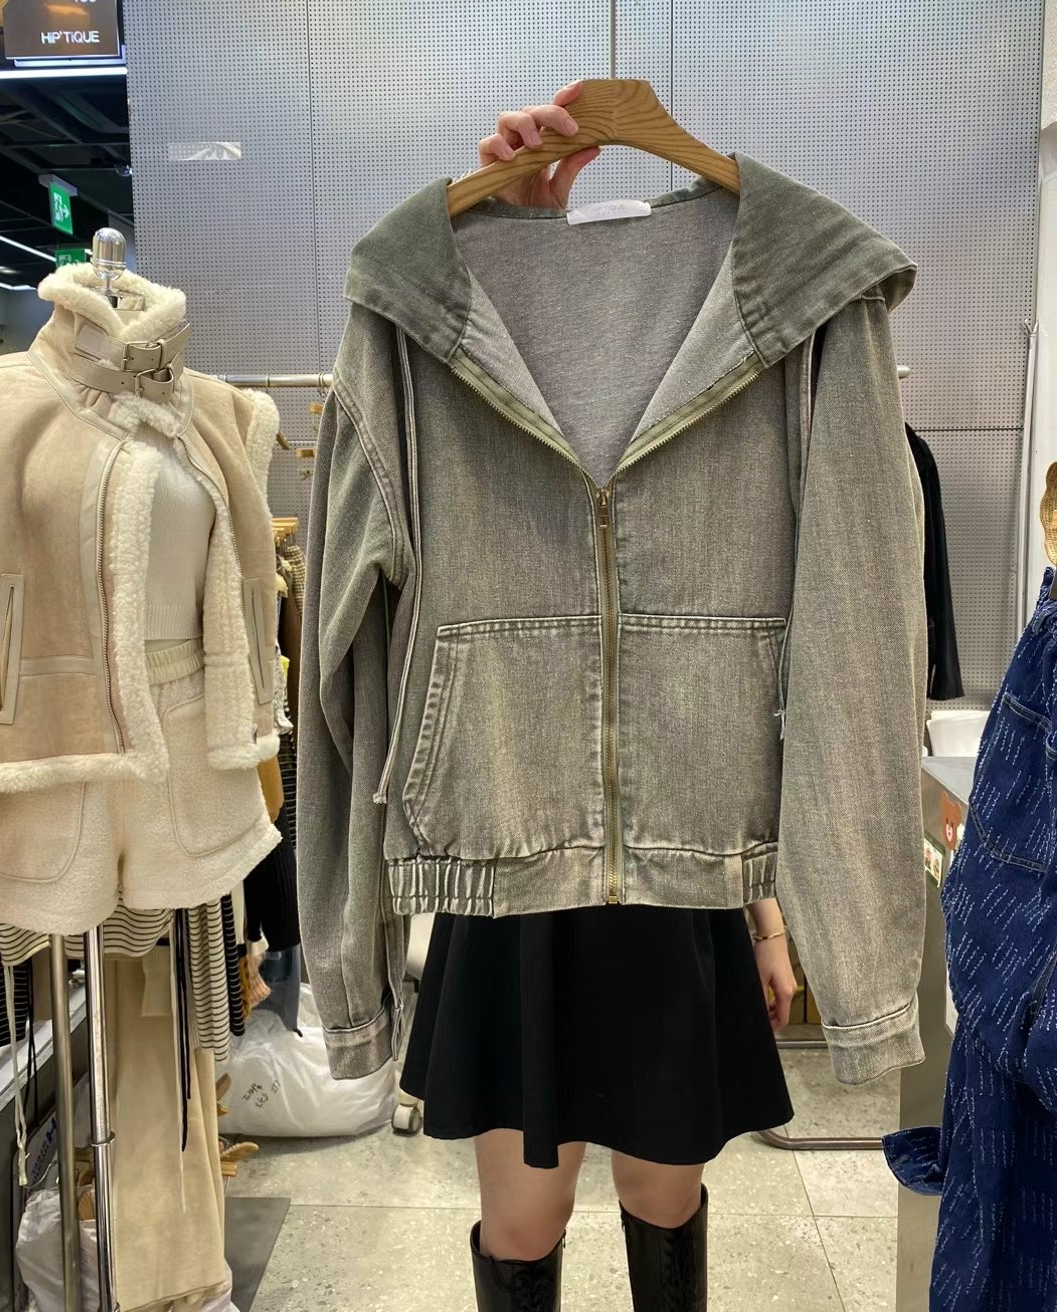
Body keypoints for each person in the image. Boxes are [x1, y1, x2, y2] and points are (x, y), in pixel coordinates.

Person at [398, 82, 798, 1312]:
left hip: (678, 872)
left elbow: (744, 691)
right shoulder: (464, 363)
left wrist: (768, 918)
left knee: (663, 1196)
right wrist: (496, 231)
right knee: (524, 1217)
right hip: (517, 857)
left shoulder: (742, 381)